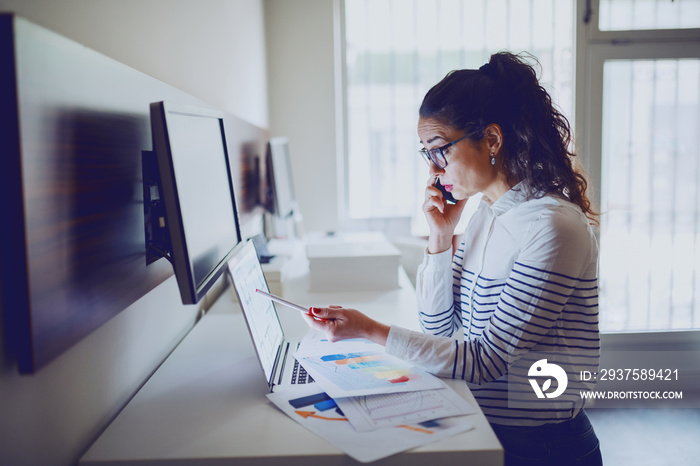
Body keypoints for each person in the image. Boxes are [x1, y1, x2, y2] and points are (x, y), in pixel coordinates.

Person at [304, 51, 603, 465]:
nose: (434, 168)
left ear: (492, 140)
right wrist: (440, 238)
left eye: (439, 149)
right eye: (426, 153)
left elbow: (487, 361)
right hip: (487, 425)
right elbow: (441, 328)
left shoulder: (552, 227)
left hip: (541, 445)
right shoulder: (487, 213)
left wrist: (369, 330)